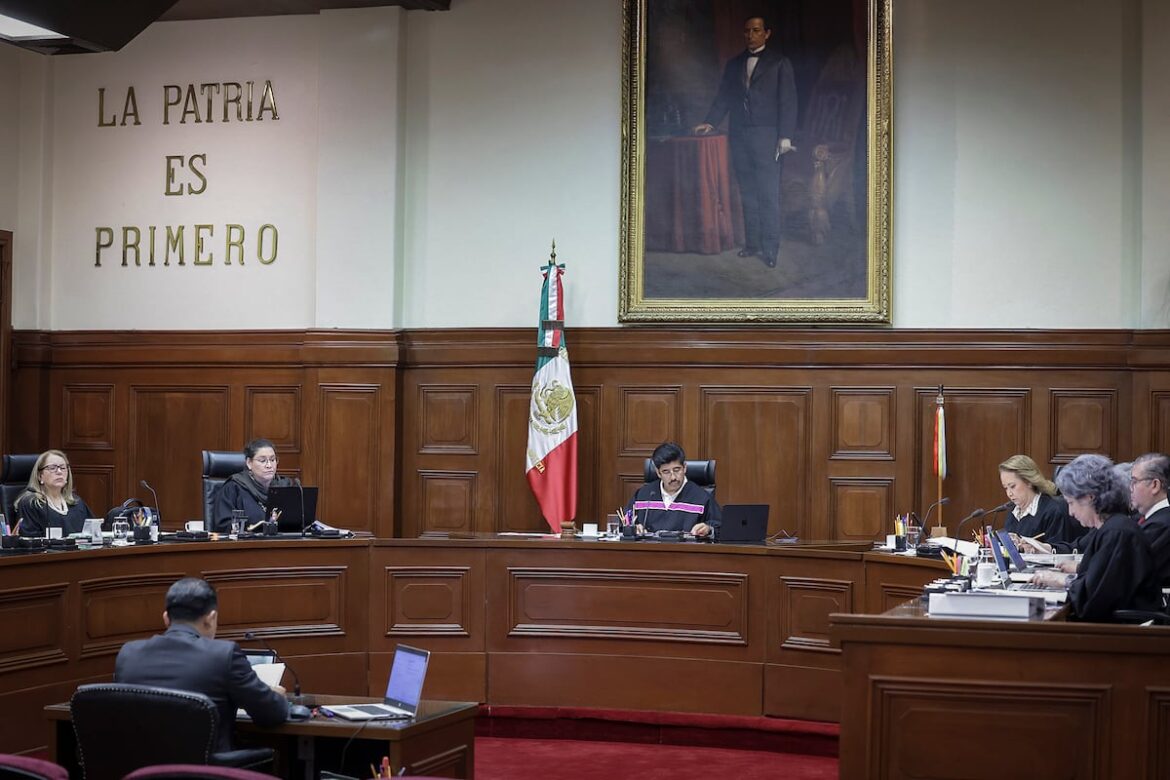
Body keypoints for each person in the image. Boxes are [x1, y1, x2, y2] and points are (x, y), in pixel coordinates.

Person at [114, 577, 290, 752]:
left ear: (166, 619)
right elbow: (271, 715)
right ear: (210, 618)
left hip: (140, 771)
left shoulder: (128, 654)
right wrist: (277, 696)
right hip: (205, 772)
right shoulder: (224, 655)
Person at [694, 15, 797, 268]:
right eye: (747, 31)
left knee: (768, 195)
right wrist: (710, 122)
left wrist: (785, 136)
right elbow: (723, 97)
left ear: (767, 33)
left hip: (767, 138)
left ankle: (770, 249)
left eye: (756, 30)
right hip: (739, 137)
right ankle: (752, 245)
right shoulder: (733, 64)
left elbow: (788, 102)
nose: (750, 35)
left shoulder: (780, 63)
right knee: (748, 193)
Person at [1031, 454, 1161, 622]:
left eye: (1071, 503)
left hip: (1119, 633)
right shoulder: (1111, 528)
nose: (1070, 512)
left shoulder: (1116, 533)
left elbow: (1094, 599)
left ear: (1089, 497)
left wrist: (1064, 581)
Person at [624, 442, 720, 537]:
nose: (673, 477)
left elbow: (720, 528)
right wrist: (633, 528)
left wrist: (708, 529)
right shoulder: (643, 495)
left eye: (677, 470)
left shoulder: (702, 498)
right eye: (666, 472)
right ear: (658, 473)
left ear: (685, 468)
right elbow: (625, 522)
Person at [998, 454, 1085, 551]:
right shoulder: (1013, 512)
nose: (1009, 493)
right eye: (1006, 488)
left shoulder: (1053, 510)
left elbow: (1058, 552)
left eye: (1012, 486)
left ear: (1028, 482)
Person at [210, 438, 293, 533]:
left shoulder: (286, 486)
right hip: (246, 545)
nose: (269, 465)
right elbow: (223, 525)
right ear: (249, 463)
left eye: (273, 460)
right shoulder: (234, 488)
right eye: (262, 461)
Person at [15, 450, 94, 537]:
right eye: (52, 468)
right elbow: (31, 542)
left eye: (63, 468)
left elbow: (94, 533)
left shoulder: (77, 502)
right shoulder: (30, 503)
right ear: (39, 476)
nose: (59, 472)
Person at [1131, 452, 1170, 583]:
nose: (1130, 488)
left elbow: (1128, 568)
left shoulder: (1161, 525)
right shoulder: (1143, 519)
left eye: (1134, 481)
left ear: (1155, 485)